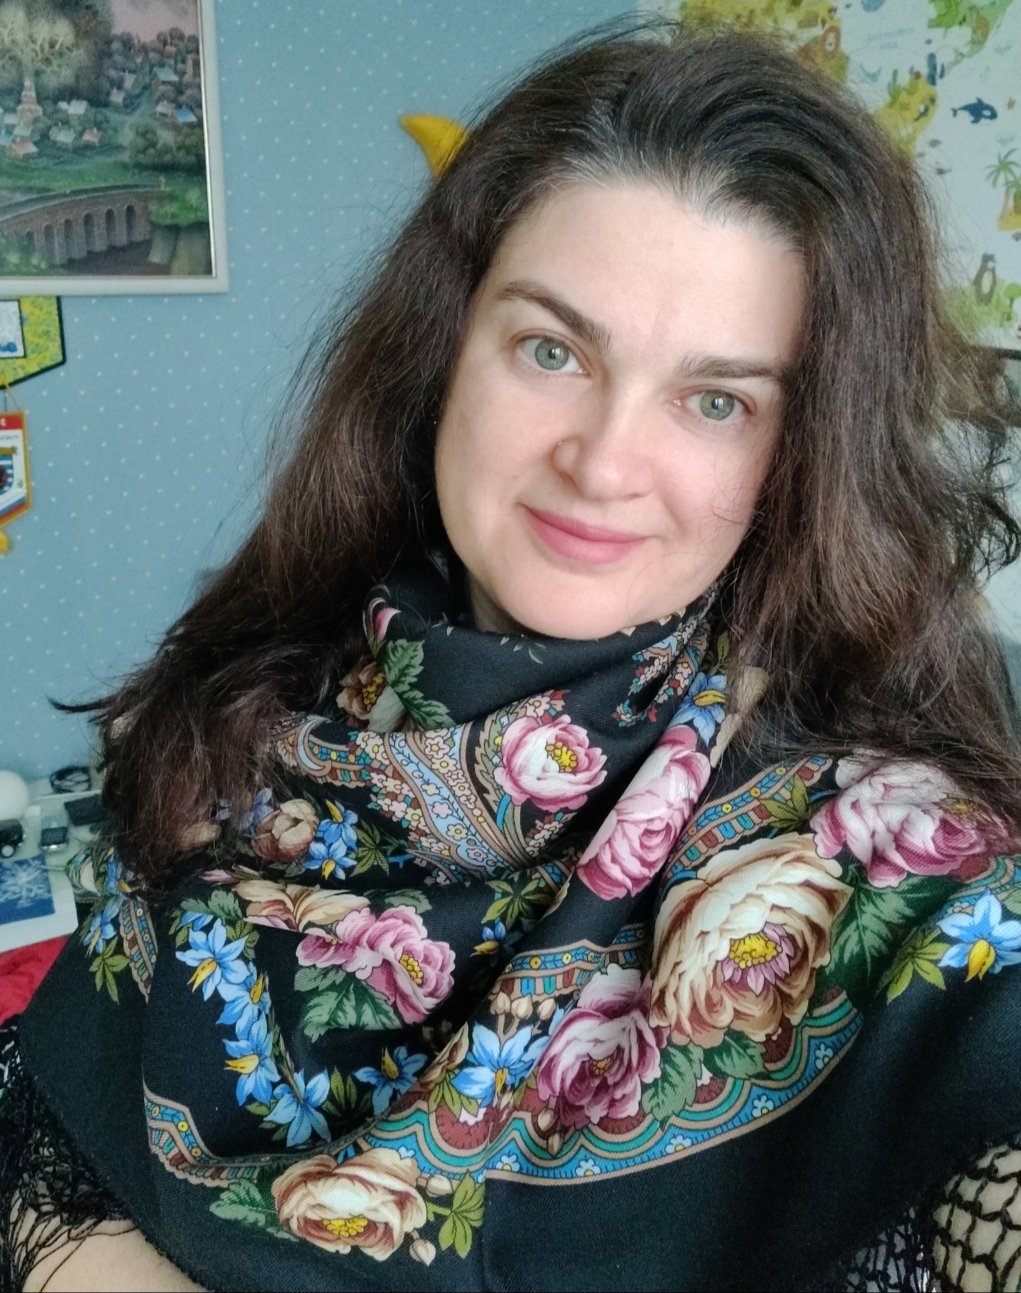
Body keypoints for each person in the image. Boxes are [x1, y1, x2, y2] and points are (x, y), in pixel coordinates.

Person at [3, 20, 1021, 1292]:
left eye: (716, 401)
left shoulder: (893, 860)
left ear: (797, 454)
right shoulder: (249, 706)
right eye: (552, 350)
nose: (602, 461)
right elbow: (46, 1128)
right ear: (444, 352)